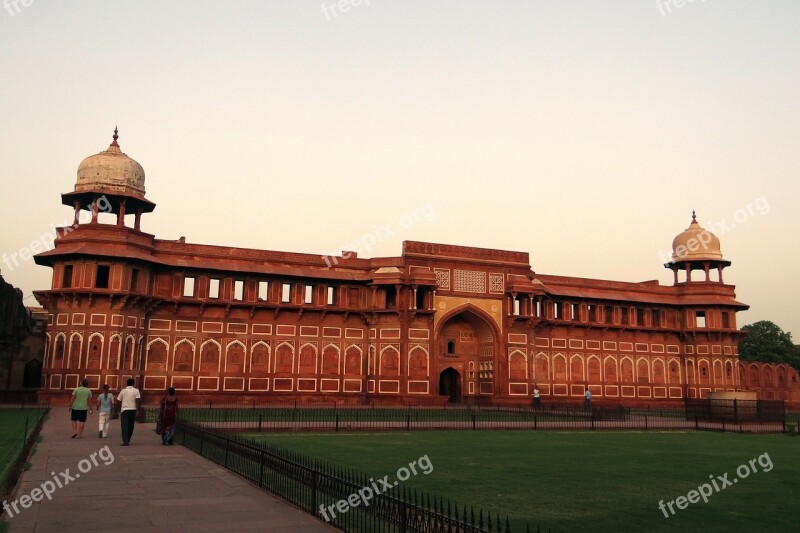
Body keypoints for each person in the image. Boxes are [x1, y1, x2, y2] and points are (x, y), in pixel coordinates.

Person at [117, 378, 141, 446]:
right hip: (133, 410)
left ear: (127, 384)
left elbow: (118, 400)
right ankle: (128, 439)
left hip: (124, 410)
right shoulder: (136, 391)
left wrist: (118, 410)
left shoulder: (123, 391)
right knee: (131, 426)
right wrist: (138, 410)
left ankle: (125, 441)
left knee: (124, 426)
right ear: (133, 384)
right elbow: (138, 401)